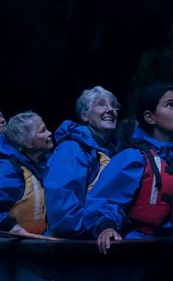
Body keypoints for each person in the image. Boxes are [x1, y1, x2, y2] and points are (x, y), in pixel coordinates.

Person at [82, 82, 173, 254]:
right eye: (169, 105)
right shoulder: (133, 159)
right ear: (150, 117)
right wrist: (106, 227)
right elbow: (106, 201)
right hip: (140, 248)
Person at [43, 86, 122, 238]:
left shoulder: (113, 152)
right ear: (85, 115)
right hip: (74, 246)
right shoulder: (71, 149)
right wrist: (102, 225)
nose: (110, 109)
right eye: (101, 104)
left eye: (113, 105)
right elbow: (63, 214)